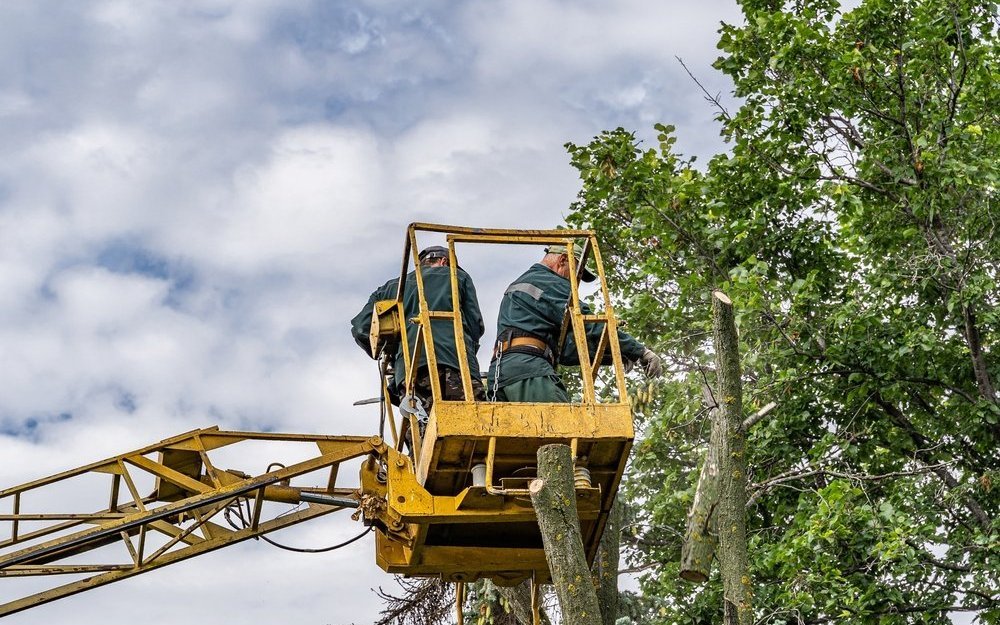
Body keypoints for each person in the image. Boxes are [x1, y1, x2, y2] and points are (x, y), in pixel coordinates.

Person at [487, 244, 663, 402]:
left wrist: (613, 354)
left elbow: (566, 351)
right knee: (562, 432)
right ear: (563, 260)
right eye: (575, 273)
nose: (574, 282)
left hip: (502, 374)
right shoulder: (549, 282)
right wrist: (639, 350)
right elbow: (588, 324)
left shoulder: (525, 283)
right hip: (529, 373)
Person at [351, 246, 486, 411]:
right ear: (444, 261)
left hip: (411, 371)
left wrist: (388, 352)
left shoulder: (392, 288)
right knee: (473, 423)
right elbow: (475, 325)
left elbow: (360, 329)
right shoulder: (457, 276)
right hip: (458, 364)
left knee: (423, 429)